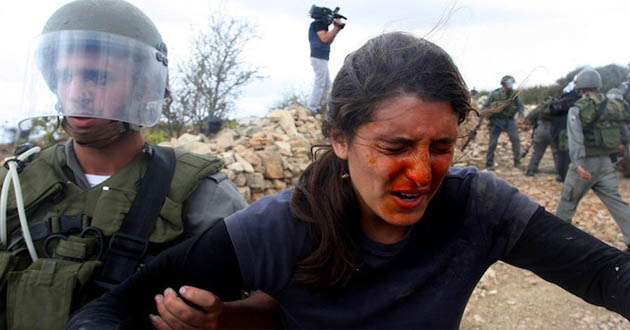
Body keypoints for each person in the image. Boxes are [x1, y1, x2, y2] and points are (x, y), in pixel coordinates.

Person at [67, 32, 630, 329]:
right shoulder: (276, 228)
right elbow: (110, 310)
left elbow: (605, 275)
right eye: (395, 147)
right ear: (339, 137)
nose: (421, 173)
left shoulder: (478, 207)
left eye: (441, 146)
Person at [0, 1, 277, 329]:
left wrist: (224, 318)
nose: (76, 91)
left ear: (144, 88)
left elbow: (274, 306)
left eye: (98, 77)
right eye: (64, 76)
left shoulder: (200, 195)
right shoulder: (13, 186)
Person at [555, 68, 630, 251]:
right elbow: (625, 134)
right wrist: (624, 154)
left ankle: (555, 242)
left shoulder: (578, 108)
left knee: (567, 203)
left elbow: (576, 138)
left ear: (580, 86)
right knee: (616, 203)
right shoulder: (613, 105)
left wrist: (578, 163)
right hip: (606, 163)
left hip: (585, 165)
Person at [307, 5, 345, 115]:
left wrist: (337, 29)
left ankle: (322, 106)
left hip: (322, 57)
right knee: (320, 82)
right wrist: (336, 27)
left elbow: (328, 40)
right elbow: (324, 39)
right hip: (318, 56)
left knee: (327, 84)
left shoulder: (321, 26)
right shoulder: (318, 24)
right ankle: (313, 107)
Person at [483, 75, 525, 169]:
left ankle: (517, 162)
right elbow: (486, 106)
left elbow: (521, 106)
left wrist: (521, 116)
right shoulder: (494, 93)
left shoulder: (514, 95)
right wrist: (481, 119)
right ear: (503, 84)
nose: (511, 86)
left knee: (516, 140)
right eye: (509, 84)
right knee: (493, 142)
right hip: (496, 120)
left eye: (512, 84)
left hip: (509, 120)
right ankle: (489, 164)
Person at [524, 96, 562, 178]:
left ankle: (530, 170)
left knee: (537, 152)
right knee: (556, 153)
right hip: (553, 130)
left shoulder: (541, 107)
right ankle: (560, 173)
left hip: (540, 129)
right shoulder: (558, 107)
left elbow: (529, 118)